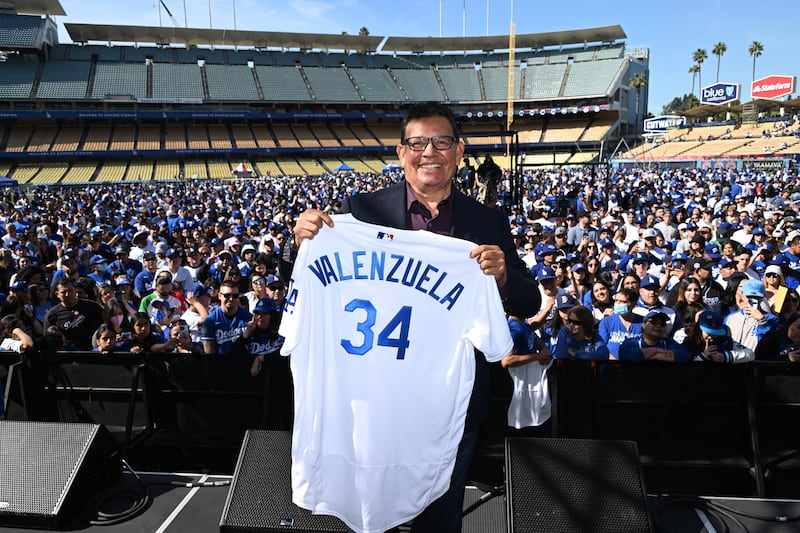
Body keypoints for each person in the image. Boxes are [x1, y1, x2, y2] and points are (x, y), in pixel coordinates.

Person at [289, 102, 540, 533]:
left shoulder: (487, 220)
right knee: (369, 512)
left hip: (449, 406)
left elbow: (531, 302)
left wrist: (502, 277)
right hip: (371, 397)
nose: (430, 152)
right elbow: (304, 283)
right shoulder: (361, 211)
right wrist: (301, 244)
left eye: (441, 142)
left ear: (459, 152)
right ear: (401, 152)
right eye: (418, 142)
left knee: (439, 519)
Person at [502, 312, 553, 431]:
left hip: (530, 384)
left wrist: (545, 352)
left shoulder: (525, 326)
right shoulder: (515, 330)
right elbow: (506, 361)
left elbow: (538, 341)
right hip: (515, 385)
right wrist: (536, 357)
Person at [44, 277, 103, 351]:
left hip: (94, 352)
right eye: (63, 292)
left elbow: (104, 326)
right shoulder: (52, 315)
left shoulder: (92, 306)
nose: (68, 294)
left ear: (75, 290)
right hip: (70, 355)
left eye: (70, 290)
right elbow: (48, 339)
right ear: (57, 294)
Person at [682, 310, 755, 363]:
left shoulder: (725, 340)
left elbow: (750, 354)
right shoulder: (689, 342)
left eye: (715, 334)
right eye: (708, 333)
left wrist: (726, 357)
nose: (711, 337)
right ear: (699, 328)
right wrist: (703, 356)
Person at [201, 279, 252, 354]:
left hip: (243, 362)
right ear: (219, 296)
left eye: (235, 296)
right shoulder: (211, 320)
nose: (231, 299)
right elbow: (209, 352)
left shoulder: (248, 318)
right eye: (227, 295)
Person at [619, 310, 692, 362]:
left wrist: (652, 355)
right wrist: (656, 350)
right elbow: (628, 355)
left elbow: (685, 355)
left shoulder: (669, 343)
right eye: (654, 322)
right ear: (644, 325)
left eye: (662, 323)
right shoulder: (631, 342)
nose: (658, 325)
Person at [598, 288, 643, 359]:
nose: (618, 304)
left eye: (623, 302)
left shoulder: (643, 322)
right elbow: (601, 347)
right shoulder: (606, 322)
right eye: (616, 301)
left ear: (633, 304)